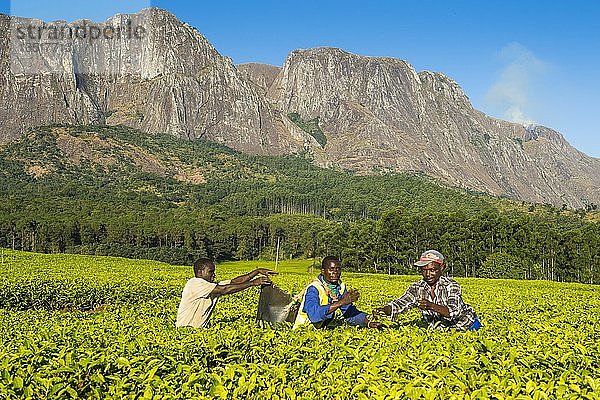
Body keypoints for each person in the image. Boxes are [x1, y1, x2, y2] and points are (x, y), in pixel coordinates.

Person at [376, 250, 481, 331]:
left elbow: (454, 311)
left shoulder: (451, 285)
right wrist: (385, 310)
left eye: (432, 270)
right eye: (424, 271)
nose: (428, 275)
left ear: (442, 267)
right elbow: (401, 303)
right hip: (442, 331)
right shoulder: (417, 288)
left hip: (468, 326)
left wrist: (431, 306)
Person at [176, 258, 276, 328]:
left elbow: (234, 282)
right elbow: (225, 289)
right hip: (185, 330)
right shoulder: (195, 283)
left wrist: (256, 271)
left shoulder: (211, 285)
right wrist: (253, 283)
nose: (213, 275)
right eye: (210, 272)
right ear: (199, 272)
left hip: (199, 331)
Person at [293, 256, 380, 329]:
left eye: (338, 269)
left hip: (320, 331)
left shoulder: (340, 287)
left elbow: (349, 313)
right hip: (303, 330)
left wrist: (368, 322)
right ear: (323, 271)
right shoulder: (314, 288)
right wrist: (342, 302)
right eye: (331, 269)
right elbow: (314, 315)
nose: (335, 272)